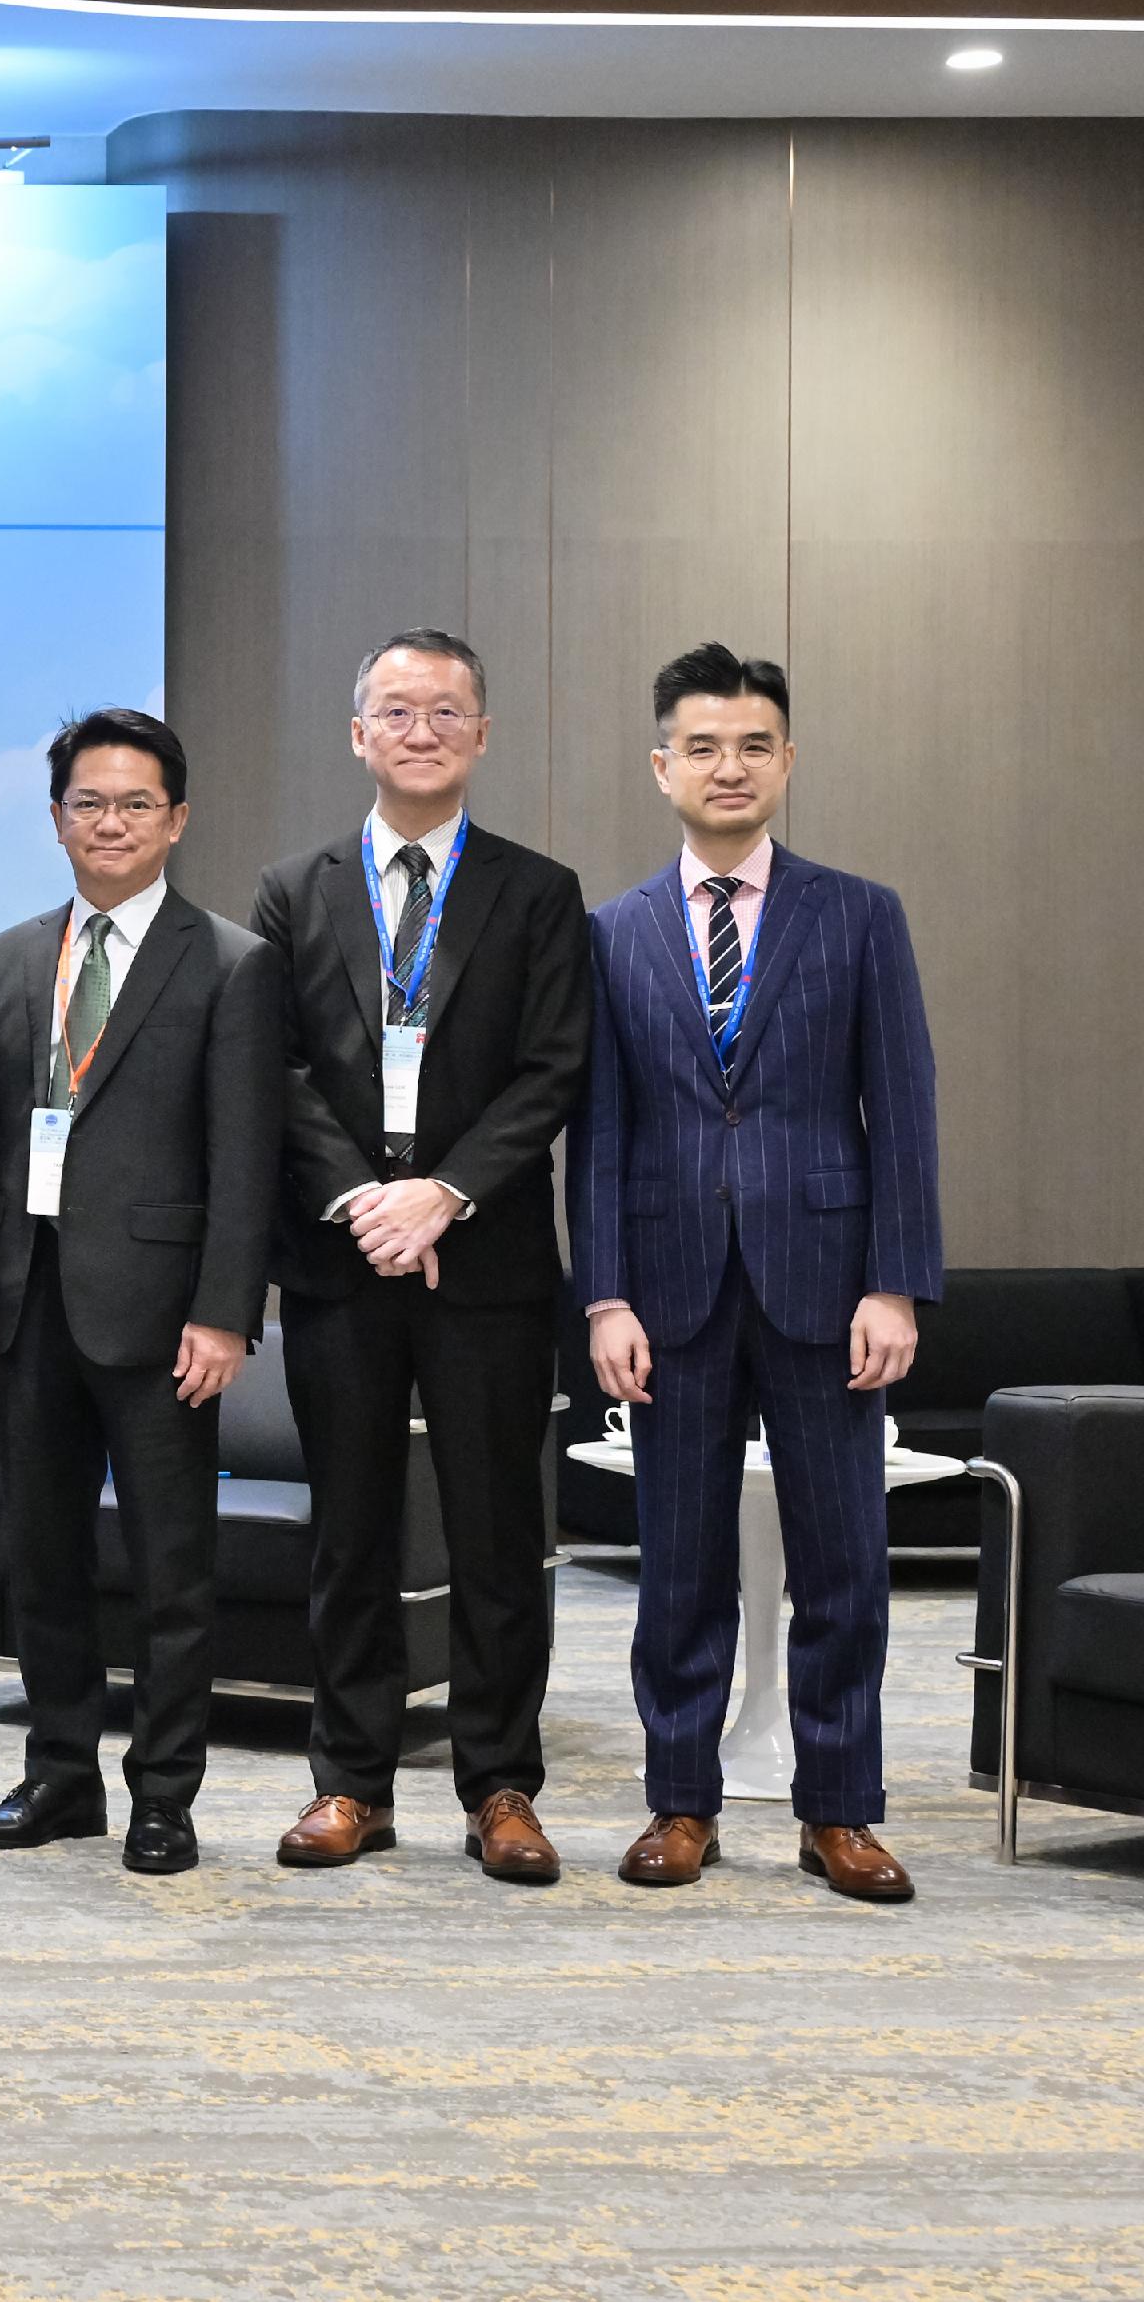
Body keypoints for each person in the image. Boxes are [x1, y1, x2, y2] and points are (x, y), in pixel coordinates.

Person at [578, 642, 939, 1903]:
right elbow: (601, 1132)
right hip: (667, 1291)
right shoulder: (611, 932)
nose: (727, 767)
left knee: (841, 1557)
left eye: (752, 745)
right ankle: (680, 1803)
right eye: (702, 746)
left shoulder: (857, 914)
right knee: (678, 1564)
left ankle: (839, 1810)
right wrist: (605, 1295)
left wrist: (894, 1282)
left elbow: (899, 1109)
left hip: (826, 1283)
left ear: (785, 759)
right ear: (661, 764)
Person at [250, 631, 590, 1884]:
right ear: (357, 733)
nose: (422, 730)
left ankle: (501, 1786)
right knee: (348, 1531)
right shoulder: (293, 889)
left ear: (482, 735)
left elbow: (553, 1067)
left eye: (447, 711)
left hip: (487, 1265)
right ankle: (349, 1784)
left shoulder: (537, 891)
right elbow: (274, 1070)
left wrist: (442, 1194)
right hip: (343, 1265)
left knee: (499, 1533)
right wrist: (363, 1202)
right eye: (396, 710)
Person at [0, 707, 281, 1875]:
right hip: (24, 1307)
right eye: (88, 802)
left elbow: (246, 1159)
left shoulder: (232, 963)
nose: (111, 822)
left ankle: (164, 1794)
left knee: (169, 1569)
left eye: (135, 803)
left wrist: (226, 1311)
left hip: (163, 1320)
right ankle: (58, 1776)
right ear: (54, 819)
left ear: (176, 819)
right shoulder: (8, 957)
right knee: (37, 1559)